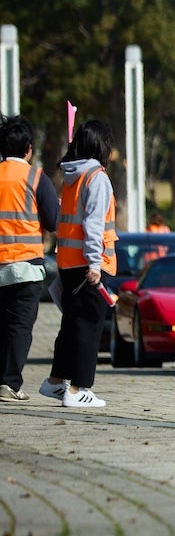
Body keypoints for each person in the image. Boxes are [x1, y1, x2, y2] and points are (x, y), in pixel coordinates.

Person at [39, 119, 116, 409]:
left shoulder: (71, 177)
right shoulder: (97, 177)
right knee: (88, 327)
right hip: (90, 266)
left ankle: (56, 381)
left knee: (72, 325)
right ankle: (77, 389)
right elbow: (94, 223)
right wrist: (96, 263)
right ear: (101, 145)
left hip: (69, 263)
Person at [0, 115, 61, 403]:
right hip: (26, 268)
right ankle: (9, 383)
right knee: (19, 327)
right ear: (28, 148)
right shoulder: (36, 178)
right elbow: (53, 222)